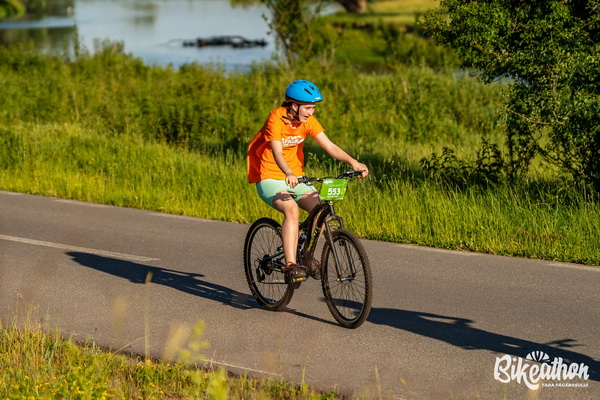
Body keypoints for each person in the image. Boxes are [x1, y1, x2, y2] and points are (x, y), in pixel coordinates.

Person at [247, 80, 369, 281]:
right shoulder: (276, 118)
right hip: (269, 175)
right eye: (308, 108)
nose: (311, 112)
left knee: (320, 210)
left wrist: (354, 162)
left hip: (296, 177)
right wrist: (288, 171)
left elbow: (330, 146)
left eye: (313, 108)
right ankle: (290, 264)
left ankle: (307, 255)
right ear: (293, 105)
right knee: (291, 209)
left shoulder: (308, 121)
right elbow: (277, 152)